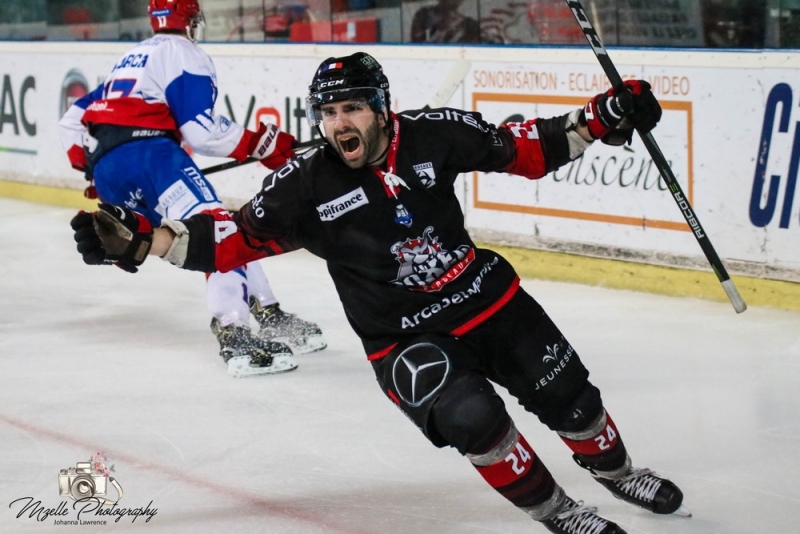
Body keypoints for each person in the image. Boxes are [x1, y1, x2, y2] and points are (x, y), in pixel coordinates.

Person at [70, 52, 689, 533]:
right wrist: (142, 241)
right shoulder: (304, 182)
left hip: (486, 300)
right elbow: (230, 241)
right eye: (329, 113)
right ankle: (558, 511)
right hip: (403, 339)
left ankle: (619, 474)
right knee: (475, 421)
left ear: (381, 108)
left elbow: (525, 148)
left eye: (352, 109)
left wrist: (601, 117)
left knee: (574, 403)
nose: (340, 123)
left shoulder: (433, 133)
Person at [59, 0, 326, 378]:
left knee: (211, 228)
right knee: (220, 231)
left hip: (107, 169)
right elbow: (201, 130)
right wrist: (260, 143)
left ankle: (268, 310)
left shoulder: (132, 57)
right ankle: (235, 334)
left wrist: (90, 167)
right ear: (189, 16)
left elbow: (71, 121)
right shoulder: (184, 52)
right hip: (151, 154)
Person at [410, 0, 481, 43]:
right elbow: (416, 42)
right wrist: (436, 29)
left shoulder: (470, 24)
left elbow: (474, 50)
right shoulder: (424, 14)